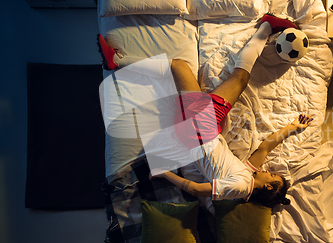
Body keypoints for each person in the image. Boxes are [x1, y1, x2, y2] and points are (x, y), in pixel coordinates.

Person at [98, 14, 313, 208]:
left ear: (268, 187)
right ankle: (267, 26)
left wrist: (164, 174)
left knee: (229, 76)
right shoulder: (249, 174)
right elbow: (265, 148)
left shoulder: (239, 188)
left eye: (272, 176)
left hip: (200, 132)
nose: (268, 171)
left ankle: (117, 61)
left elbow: (195, 189)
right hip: (205, 130)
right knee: (195, 70)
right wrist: (294, 127)